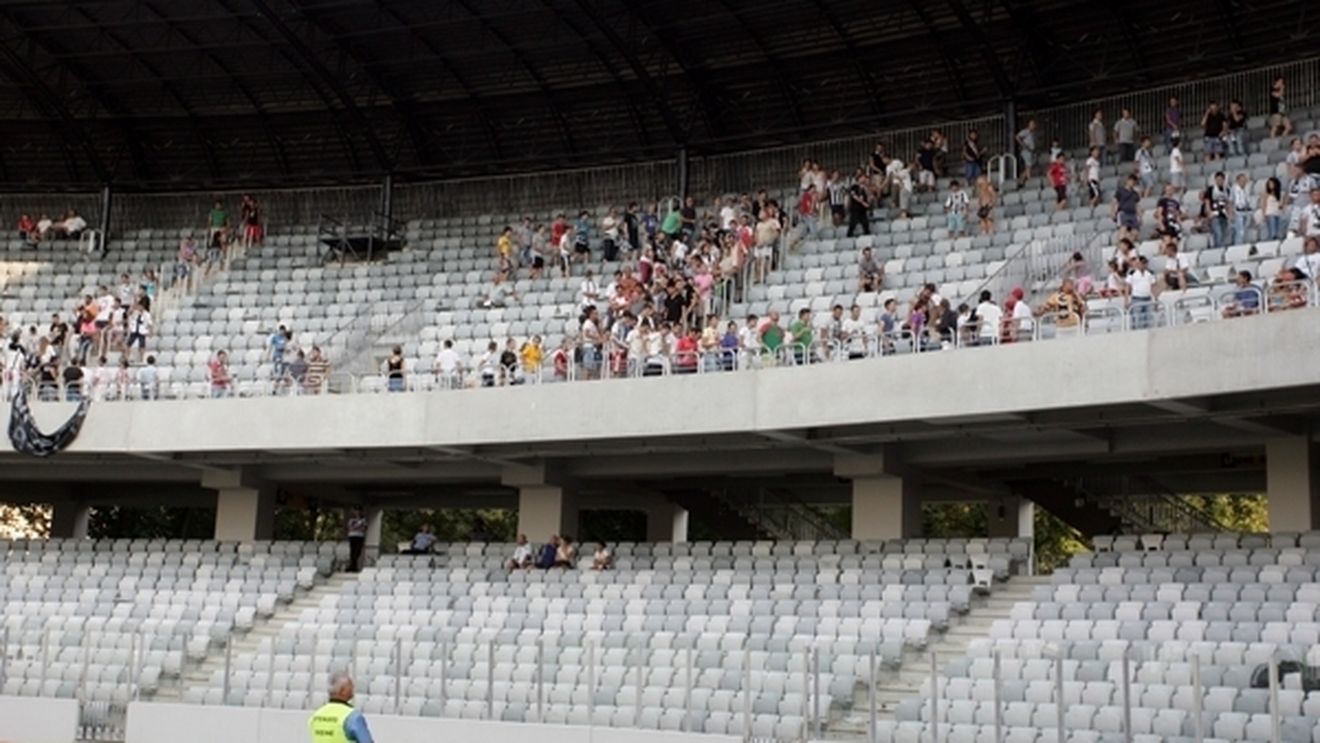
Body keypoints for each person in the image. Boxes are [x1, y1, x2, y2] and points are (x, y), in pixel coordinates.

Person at [307, 673, 374, 743]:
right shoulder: (352, 716)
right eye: (351, 686)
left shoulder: (316, 716)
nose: (353, 689)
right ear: (342, 691)